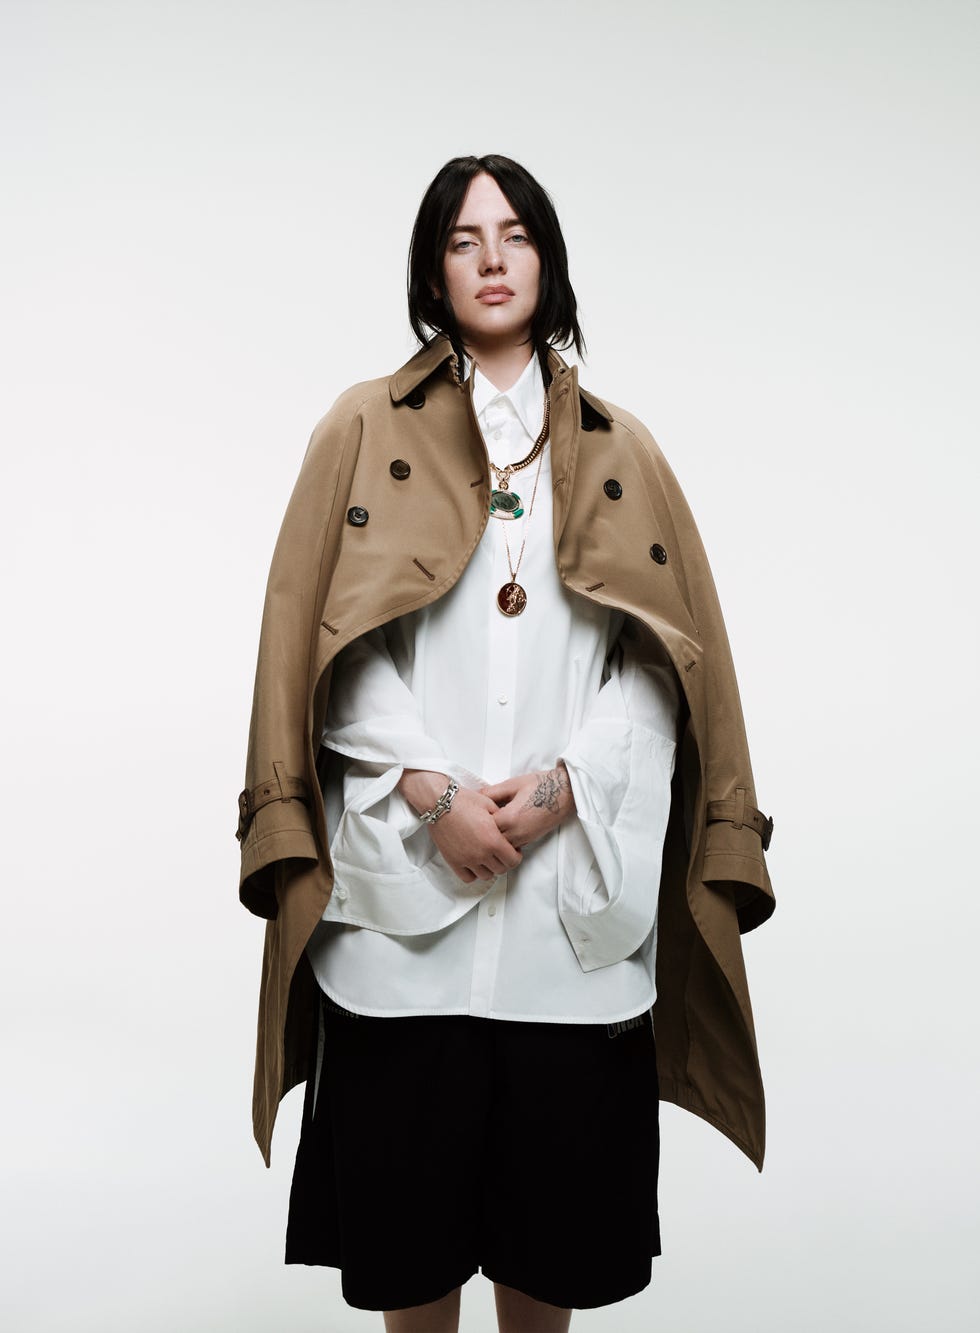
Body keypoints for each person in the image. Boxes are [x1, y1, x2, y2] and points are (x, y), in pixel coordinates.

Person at [237, 155, 775, 1333]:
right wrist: (430, 789)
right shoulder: (360, 426)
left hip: (568, 933)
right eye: (463, 239)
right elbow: (322, 639)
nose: (491, 259)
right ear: (432, 268)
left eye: (515, 235)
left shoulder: (623, 449)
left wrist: (565, 789)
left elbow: (660, 663)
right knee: (410, 1270)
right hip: (395, 932)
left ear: (547, 260)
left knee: (550, 1268)